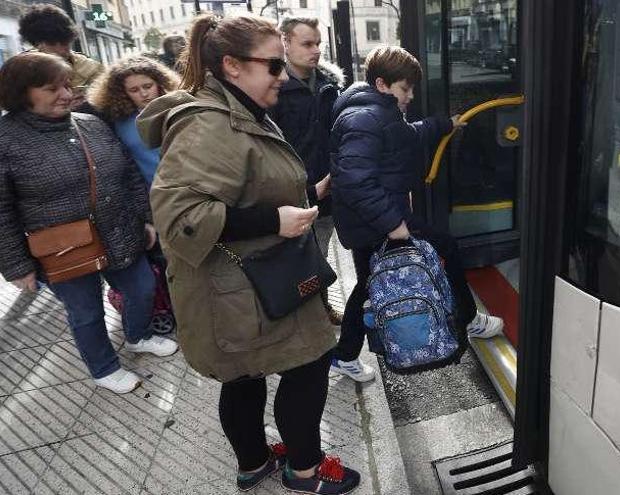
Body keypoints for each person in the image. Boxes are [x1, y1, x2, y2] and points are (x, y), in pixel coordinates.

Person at [138, 14, 360, 493]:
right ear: (233, 66)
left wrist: (304, 196)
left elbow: (244, 184)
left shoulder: (236, 112)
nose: (283, 75)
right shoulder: (210, 125)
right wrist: (273, 220)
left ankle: (254, 463)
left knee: (241, 377)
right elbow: (180, 218)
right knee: (309, 362)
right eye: (274, 65)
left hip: (242, 286)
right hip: (245, 288)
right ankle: (304, 471)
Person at [0, 52, 178, 395]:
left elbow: (129, 176)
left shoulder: (90, 123)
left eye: (67, 85)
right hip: (63, 248)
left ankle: (138, 336)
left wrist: (146, 219)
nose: (66, 94)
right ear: (22, 92)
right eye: (53, 88)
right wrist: (16, 265)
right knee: (86, 312)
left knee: (142, 288)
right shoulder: (6, 140)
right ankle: (104, 367)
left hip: (121, 233)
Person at [329, 45, 504, 377]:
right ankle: (467, 318)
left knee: (368, 282)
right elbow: (354, 181)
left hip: (371, 220)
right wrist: (394, 224)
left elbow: (407, 135)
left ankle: (345, 354)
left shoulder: (374, 111)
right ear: (382, 84)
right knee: (445, 248)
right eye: (404, 88)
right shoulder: (367, 117)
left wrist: (443, 124)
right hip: (380, 220)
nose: (409, 96)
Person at [268, 16, 367, 375]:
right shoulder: (273, 88)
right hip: (292, 194)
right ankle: (302, 323)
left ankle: (321, 309)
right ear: (286, 43)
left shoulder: (328, 84)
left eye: (318, 44)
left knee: (320, 252)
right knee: (296, 258)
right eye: (307, 44)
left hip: (328, 190)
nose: (315, 50)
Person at [88, 56, 180, 187]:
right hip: (153, 194)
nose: (144, 94)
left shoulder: (179, 110)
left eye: (148, 86)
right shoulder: (118, 122)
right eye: (134, 90)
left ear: (160, 84)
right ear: (123, 93)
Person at [19, 4, 103, 109]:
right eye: (52, 43)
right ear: (36, 44)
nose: (60, 50)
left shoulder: (91, 69)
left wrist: (88, 102)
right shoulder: (22, 70)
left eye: (65, 43)